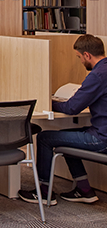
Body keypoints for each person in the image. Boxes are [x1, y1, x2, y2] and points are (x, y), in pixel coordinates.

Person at [19, 34, 107, 205]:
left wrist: (48, 102)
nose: (81, 61)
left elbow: (71, 108)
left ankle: (43, 192)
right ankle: (85, 190)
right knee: (65, 136)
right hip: (101, 132)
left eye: (79, 57)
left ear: (87, 55)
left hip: (101, 139)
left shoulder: (97, 76)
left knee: (45, 138)